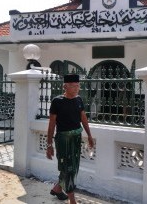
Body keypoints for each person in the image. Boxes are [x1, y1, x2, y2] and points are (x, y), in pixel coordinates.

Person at [46, 74, 94, 204]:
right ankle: (72, 200)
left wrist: (89, 135)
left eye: (78, 86)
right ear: (65, 86)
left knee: (73, 166)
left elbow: (83, 118)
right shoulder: (57, 101)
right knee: (69, 168)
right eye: (74, 86)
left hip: (76, 138)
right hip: (63, 139)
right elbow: (51, 125)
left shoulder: (78, 100)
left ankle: (57, 188)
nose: (77, 88)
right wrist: (49, 145)